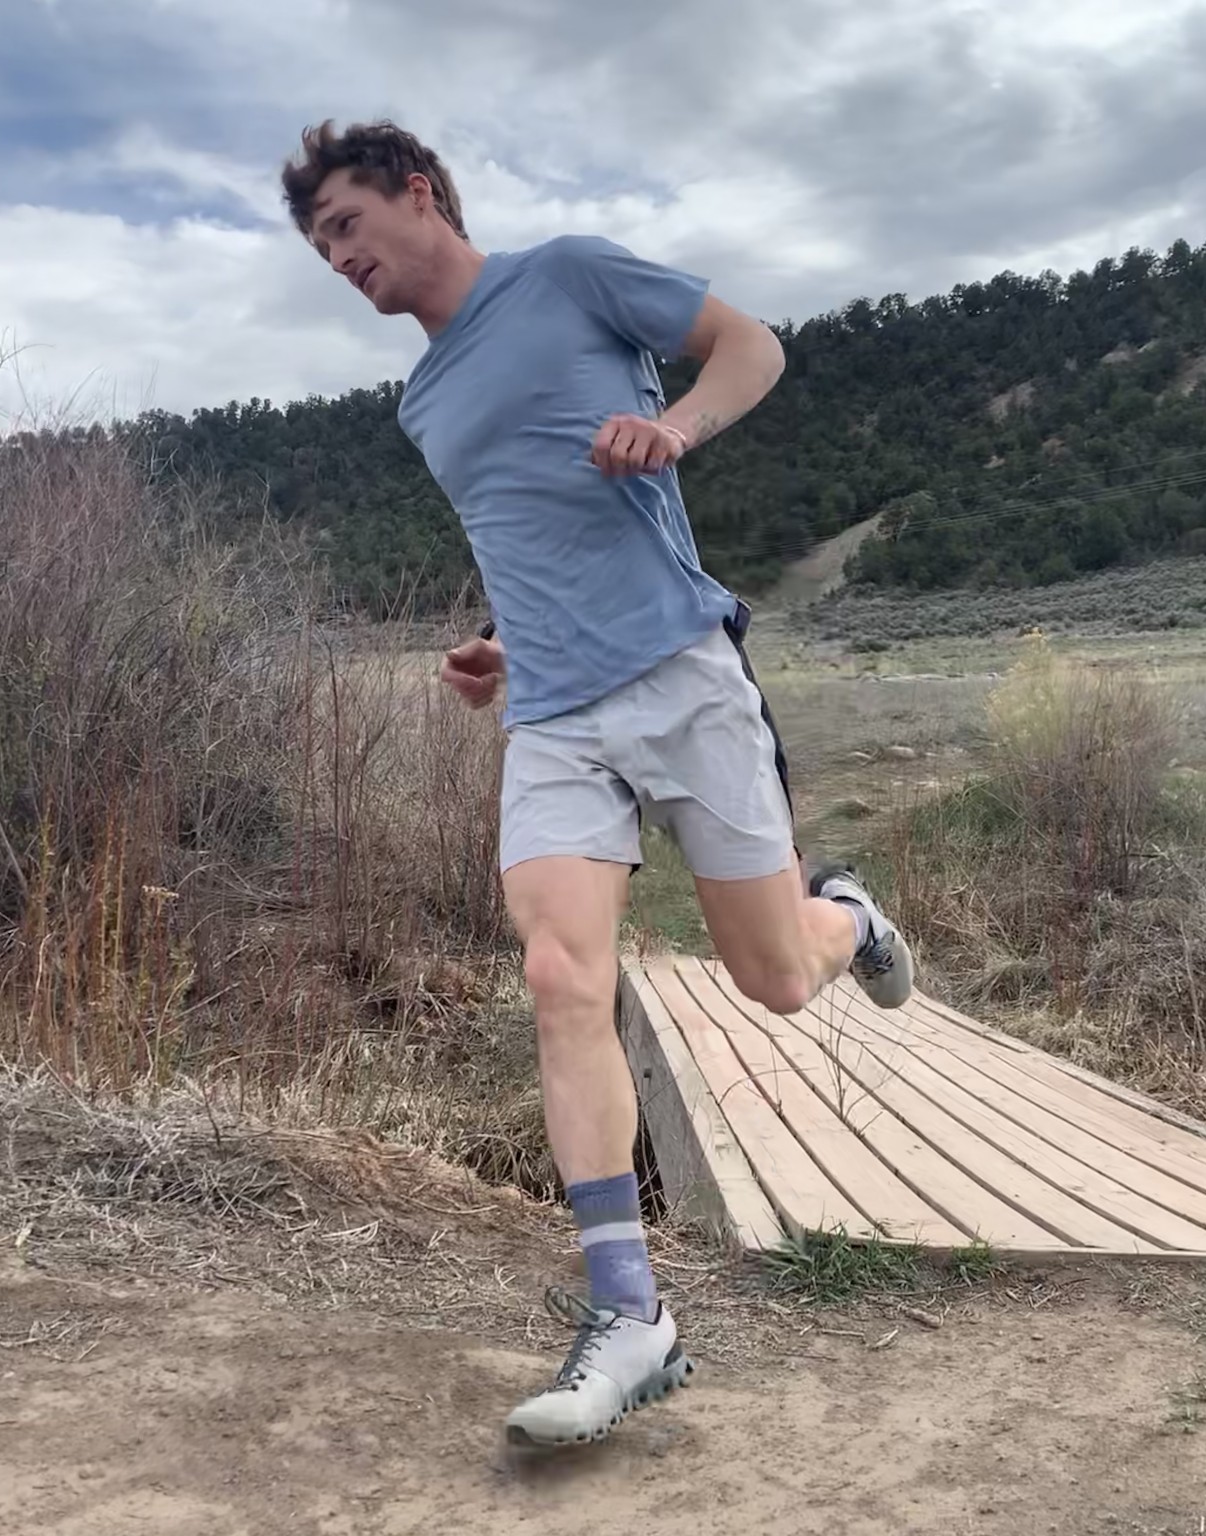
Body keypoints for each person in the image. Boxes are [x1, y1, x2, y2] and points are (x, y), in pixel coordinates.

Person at [279, 119, 915, 1448]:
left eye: (345, 224)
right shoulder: (420, 401)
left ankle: (848, 914)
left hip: (682, 674)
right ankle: (630, 1316)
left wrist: (673, 428)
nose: (336, 257)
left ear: (418, 193)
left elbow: (752, 346)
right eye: (319, 244)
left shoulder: (567, 275)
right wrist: (499, 644)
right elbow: (527, 535)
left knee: (773, 977)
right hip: (557, 716)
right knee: (561, 974)